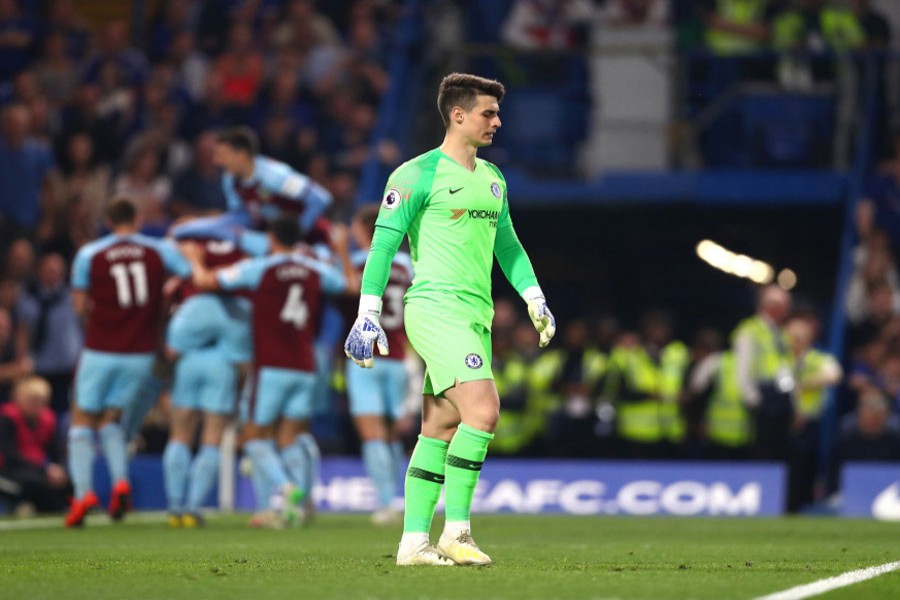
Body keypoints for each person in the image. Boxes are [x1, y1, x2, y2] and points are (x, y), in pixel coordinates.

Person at [343, 73, 556, 566]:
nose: (497, 122)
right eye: (488, 113)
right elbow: (383, 245)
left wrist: (533, 295)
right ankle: (456, 530)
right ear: (458, 115)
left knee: (439, 427)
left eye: (497, 114)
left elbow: (508, 245)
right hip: (436, 308)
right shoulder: (415, 174)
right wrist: (368, 313)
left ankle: (413, 543)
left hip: (475, 312)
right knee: (483, 411)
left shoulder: (493, 179)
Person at [191, 216, 345, 528]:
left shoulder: (260, 267)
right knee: (291, 437)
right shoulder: (314, 269)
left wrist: (193, 258)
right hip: (305, 367)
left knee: (253, 437)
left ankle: (288, 491)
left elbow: (207, 281)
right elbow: (349, 285)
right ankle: (297, 509)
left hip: (273, 365)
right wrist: (341, 251)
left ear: (272, 238)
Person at [65, 198, 192, 527]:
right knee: (112, 421)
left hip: (100, 348)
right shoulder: (158, 250)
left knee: (82, 419)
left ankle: (82, 495)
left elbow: (78, 307)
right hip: (140, 353)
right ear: (136, 218)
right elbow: (189, 275)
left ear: (108, 220)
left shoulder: (90, 254)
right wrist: (165, 293)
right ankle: (120, 482)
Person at [161, 232, 251, 528]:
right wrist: (239, 395)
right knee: (211, 439)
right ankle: (193, 508)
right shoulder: (240, 309)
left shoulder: (191, 304)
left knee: (180, 436)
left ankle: (174, 507)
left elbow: (171, 350)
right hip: (222, 369)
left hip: (188, 365)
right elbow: (243, 362)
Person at [344, 204, 413, 524]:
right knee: (389, 435)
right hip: (399, 358)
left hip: (365, 356)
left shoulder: (360, 263)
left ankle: (387, 503)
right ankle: (398, 499)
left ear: (365, 232)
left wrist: (338, 255)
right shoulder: (410, 267)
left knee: (372, 434)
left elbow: (344, 287)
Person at [171, 127, 332, 248]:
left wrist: (296, 236)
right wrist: (194, 226)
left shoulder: (273, 175)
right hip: (275, 241)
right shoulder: (230, 179)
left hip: (312, 239)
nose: (216, 161)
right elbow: (239, 216)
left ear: (241, 155)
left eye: (222, 155)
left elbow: (320, 199)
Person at [785, 314, 842, 512]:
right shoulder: (781, 359)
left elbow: (834, 375)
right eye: (792, 336)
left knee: (804, 467)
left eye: (800, 337)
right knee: (782, 467)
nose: (795, 341)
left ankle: (802, 507)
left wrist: (806, 384)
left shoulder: (816, 359)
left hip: (808, 424)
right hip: (782, 421)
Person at [732, 285, 794, 461]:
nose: (787, 310)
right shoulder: (750, 329)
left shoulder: (780, 332)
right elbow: (742, 368)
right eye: (785, 305)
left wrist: (789, 394)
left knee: (778, 452)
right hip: (761, 397)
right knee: (761, 452)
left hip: (779, 397)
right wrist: (753, 398)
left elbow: (782, 365)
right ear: (772, 306)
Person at [0, 376, 69, 513]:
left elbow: (56, 451)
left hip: (37, 471)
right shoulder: (7, 419)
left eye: (41, 401)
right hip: (8, 472)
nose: (36, 405)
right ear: (18, 399)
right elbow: (9, 456)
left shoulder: (48, 420)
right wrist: (44, 469)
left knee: (66, 483)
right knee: (34, 484)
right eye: (32, 400)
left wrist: (58, 469)